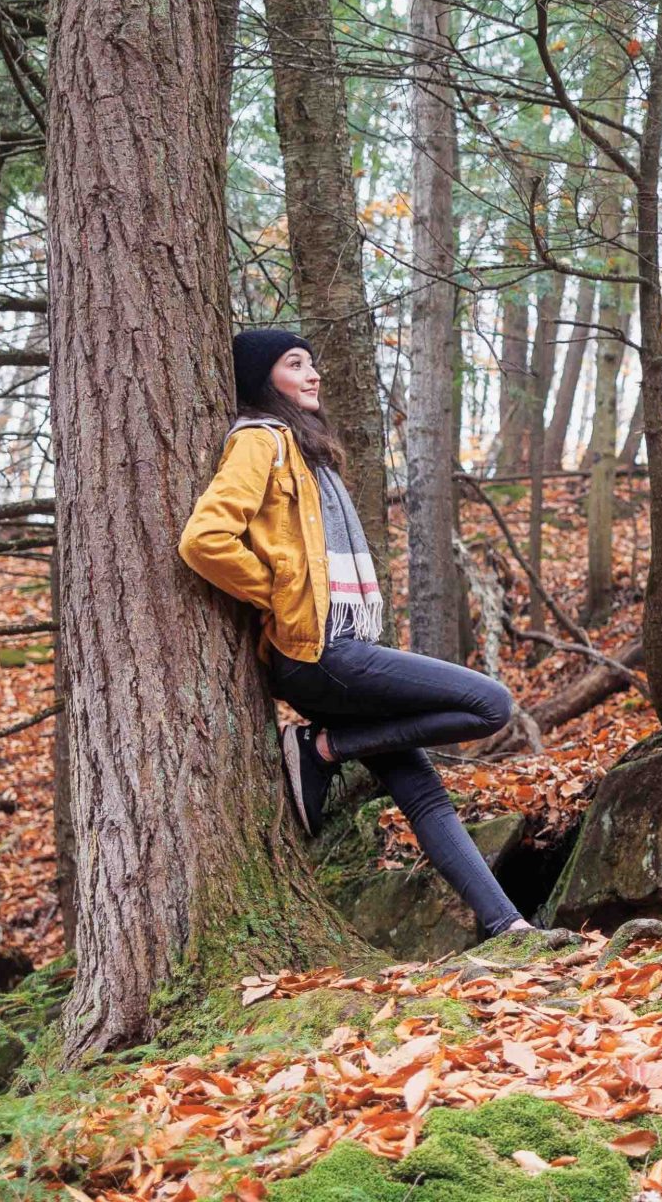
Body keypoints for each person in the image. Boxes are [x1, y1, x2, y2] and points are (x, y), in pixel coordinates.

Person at [179, 327, 535, 941]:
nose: (313, 374)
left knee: (422, 794)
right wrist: (282, 592)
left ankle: (508, 927)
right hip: (318, 650)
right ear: (265, 378)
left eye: (312, 363)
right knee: (490, 704)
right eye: (296, 365)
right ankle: (324, 749)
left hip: (339, 649)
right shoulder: (261, 442)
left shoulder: (308, 451)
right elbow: (204, 540)